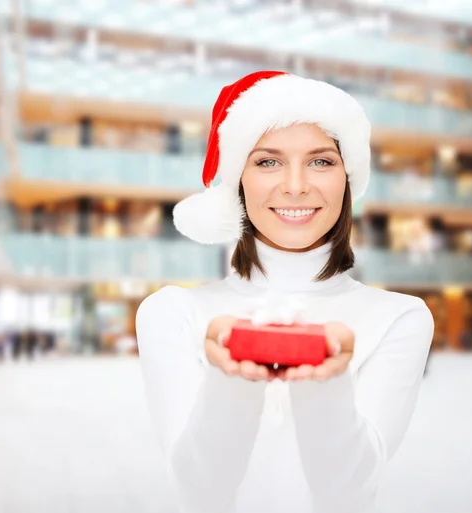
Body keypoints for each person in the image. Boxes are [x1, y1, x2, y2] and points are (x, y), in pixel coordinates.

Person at [136, 71, 434, 513]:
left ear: (347, 178)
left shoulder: (401, 317)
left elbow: (348, 491)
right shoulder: (172, 312)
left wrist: (326, 380)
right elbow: (200, 489)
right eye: (267, 161)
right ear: (237, 180)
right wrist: (232, 378)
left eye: (321, 161)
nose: (296, 185)